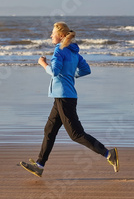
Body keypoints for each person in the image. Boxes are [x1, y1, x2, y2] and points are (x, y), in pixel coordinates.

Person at [20, 22, 118, 177]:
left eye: (53, 33)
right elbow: (85, 70)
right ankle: (39, 165)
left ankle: (108, 153)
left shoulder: (59, 50)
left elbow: (54, 71)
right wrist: (69, 76)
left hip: (64, 98)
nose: (51, 35)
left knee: (76, 134)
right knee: (49, 130)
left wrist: (43, 63)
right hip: (64, 97)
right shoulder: (74, 52)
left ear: (61, 35)